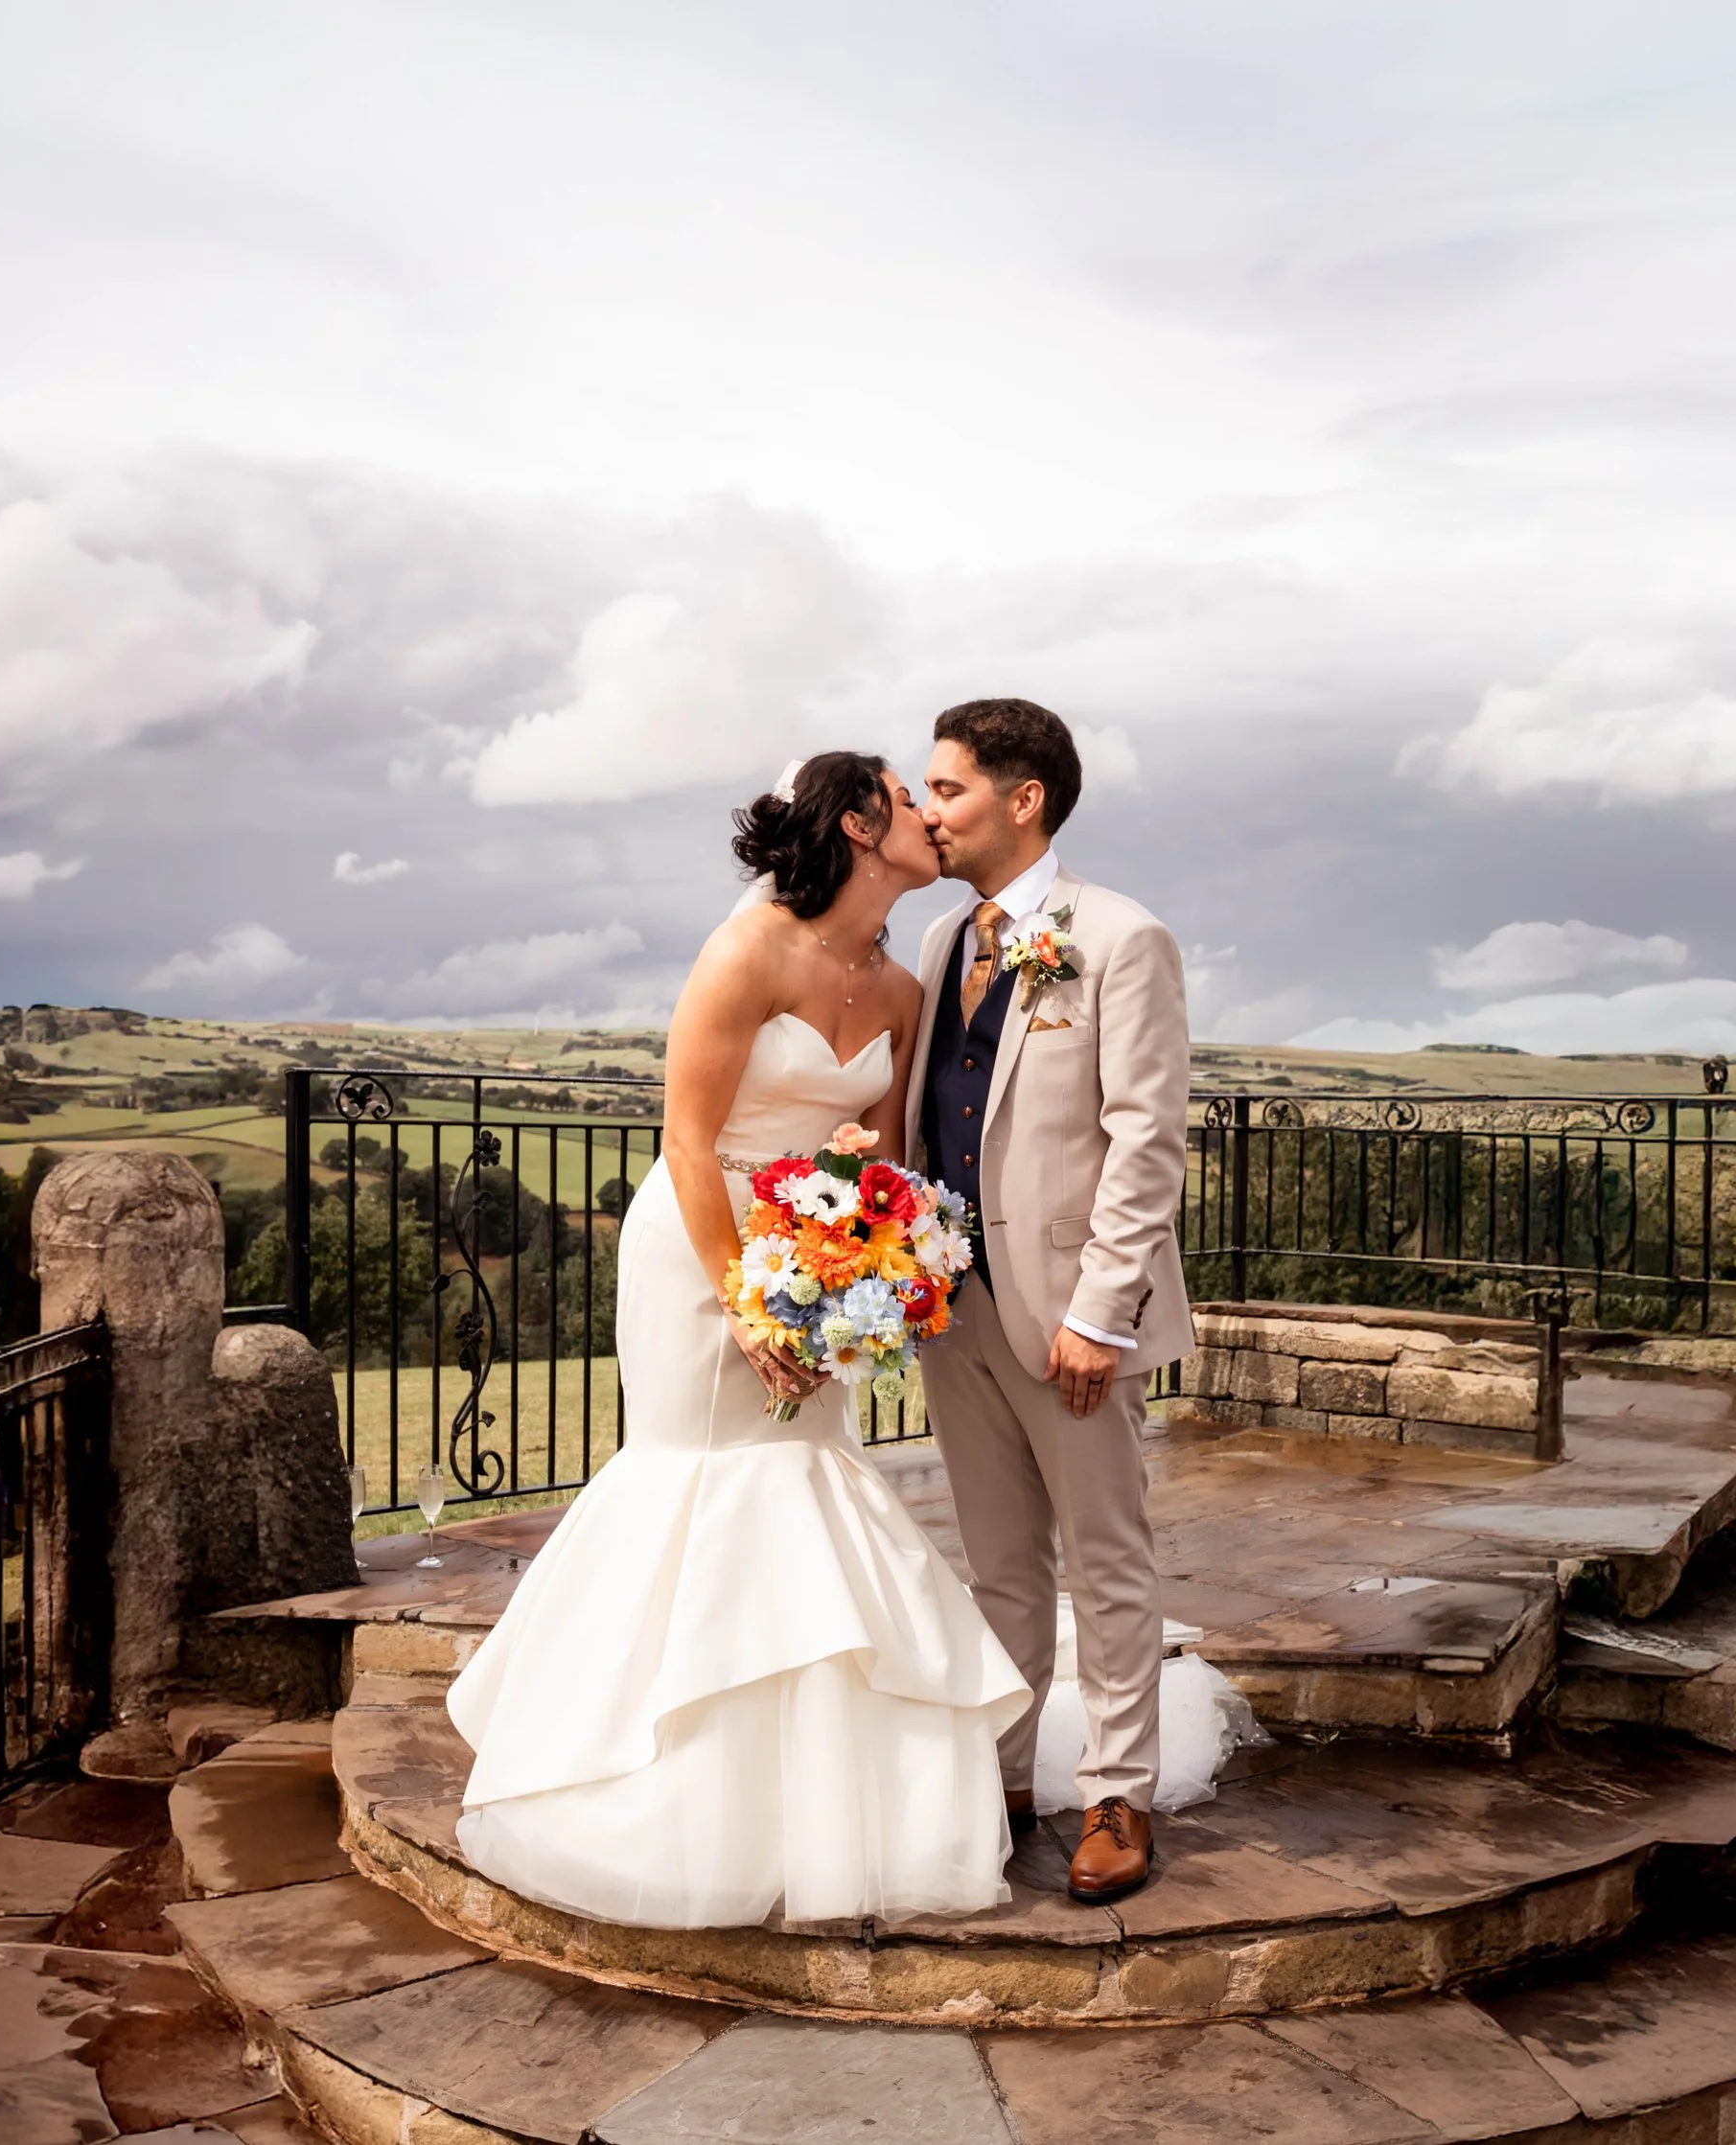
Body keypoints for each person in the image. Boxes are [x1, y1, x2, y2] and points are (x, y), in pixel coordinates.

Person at [446, 750, 1030, 1929]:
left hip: (813, 1255)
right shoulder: (747, 950)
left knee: (806, 1483)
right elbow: (687, 1142)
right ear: (862, 825)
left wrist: (866, 1262)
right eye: (909, 799)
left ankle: (820, 1808)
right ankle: (646, 1789)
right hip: (699, 1249)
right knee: (700, 1482)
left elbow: (870, 1155)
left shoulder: (904, 992)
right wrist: (747, 1300)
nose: (928, 815)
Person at [909, 698, 1193, 1904]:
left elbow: (1145, 1143)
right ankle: (1005, 1776)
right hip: (952, 1307)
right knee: (998, 1565)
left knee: (1105, 1559)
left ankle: (1118, 1792)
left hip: (1071, 1312)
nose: (928, 811)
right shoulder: (937, 944)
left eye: (947, 790)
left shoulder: (1122, 939)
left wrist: (1101, 1314)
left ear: (1022, 800)